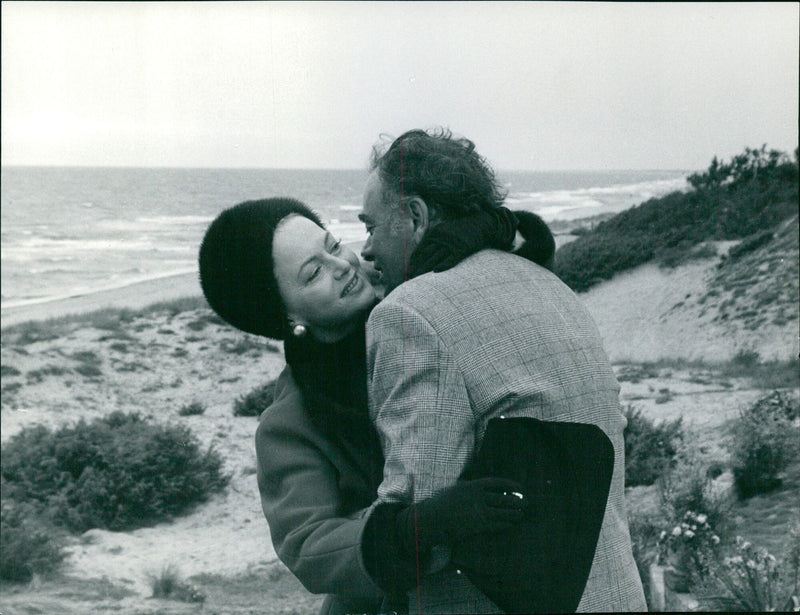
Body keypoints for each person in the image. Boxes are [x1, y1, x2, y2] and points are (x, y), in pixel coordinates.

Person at [198, 197, 544, 615]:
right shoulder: (291, 420)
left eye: (333, 245)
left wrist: (479, 229)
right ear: (286, 315)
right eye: (313, 273)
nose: (341, 264)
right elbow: (307, 545)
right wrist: (418, 527)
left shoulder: (418, 297)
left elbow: (525, 251)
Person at [359, 128, 648, 612]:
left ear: (414, 216)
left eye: (370, 226)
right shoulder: (552, 287)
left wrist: (381, 541)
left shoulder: (410, 312)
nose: (365, 250)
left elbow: (418, 534)